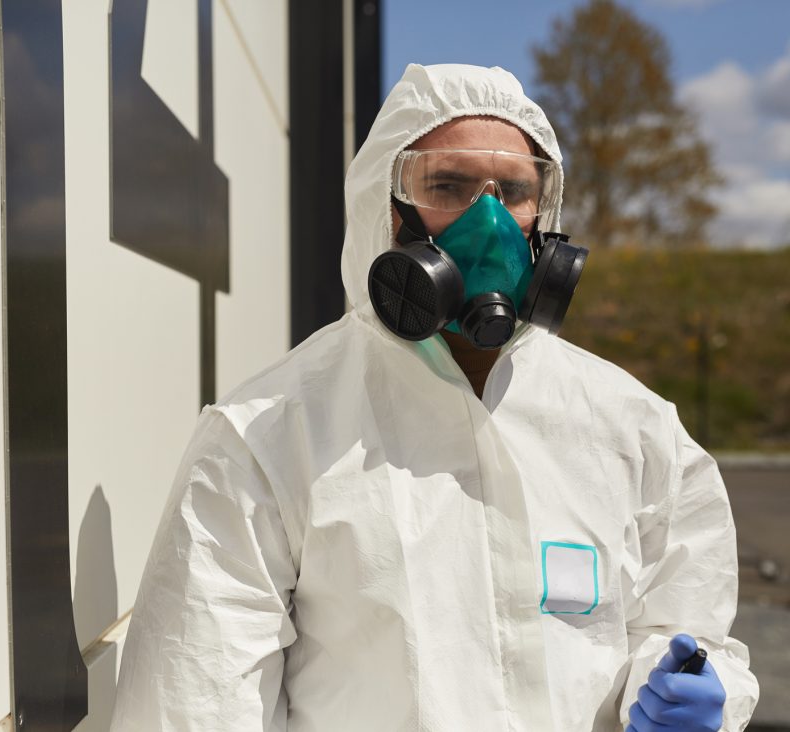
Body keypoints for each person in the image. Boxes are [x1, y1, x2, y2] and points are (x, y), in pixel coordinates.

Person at [110, 64, 758, 731]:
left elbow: (693, 630)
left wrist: (692, 689)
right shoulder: (269, 434)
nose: (489, 219)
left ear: (546, 214)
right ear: (384, 207)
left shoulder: (635, 430)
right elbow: (192, 701)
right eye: (446, 185)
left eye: (513, 190)